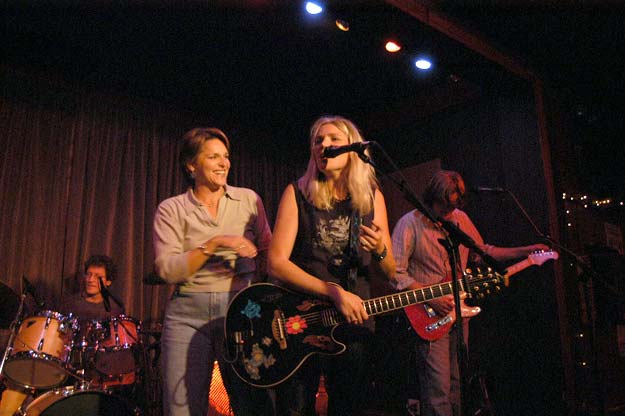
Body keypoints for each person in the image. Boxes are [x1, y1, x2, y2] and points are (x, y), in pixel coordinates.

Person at [391, 170, 549, 416]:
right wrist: (429, 296)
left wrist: (527, 251)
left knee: (457, 386)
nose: (447, 213)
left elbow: (483, 251)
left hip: (459, 312)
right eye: (443, 206)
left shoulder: (460, 219)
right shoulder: (409, 223)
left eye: (452, 206)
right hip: (428, 313)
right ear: (432, 196)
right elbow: (395, 273)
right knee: (438, 390)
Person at [267, 115, 397, 415]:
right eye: (318, 141)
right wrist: (332, 291)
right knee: (295, 408)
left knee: (349, 406)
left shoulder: (371, 198)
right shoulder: (297, 193)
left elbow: (390, 271)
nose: (323, 145)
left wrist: (379, 250)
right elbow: (276, 263)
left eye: (333, 140)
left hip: (353, 323)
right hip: (300, 321)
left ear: (352, 148)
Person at [153, 127, 274, 416]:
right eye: (213, 157)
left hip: (242, 311)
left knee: (253, 405)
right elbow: (167, 269)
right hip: (187, 315)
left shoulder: (248, 199)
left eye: (226, 156)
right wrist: (216, 243)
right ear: (191, 165)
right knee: (181, 409)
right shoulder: (171, 209)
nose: (224, 163)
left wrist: (270, 304)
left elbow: (271, 253)